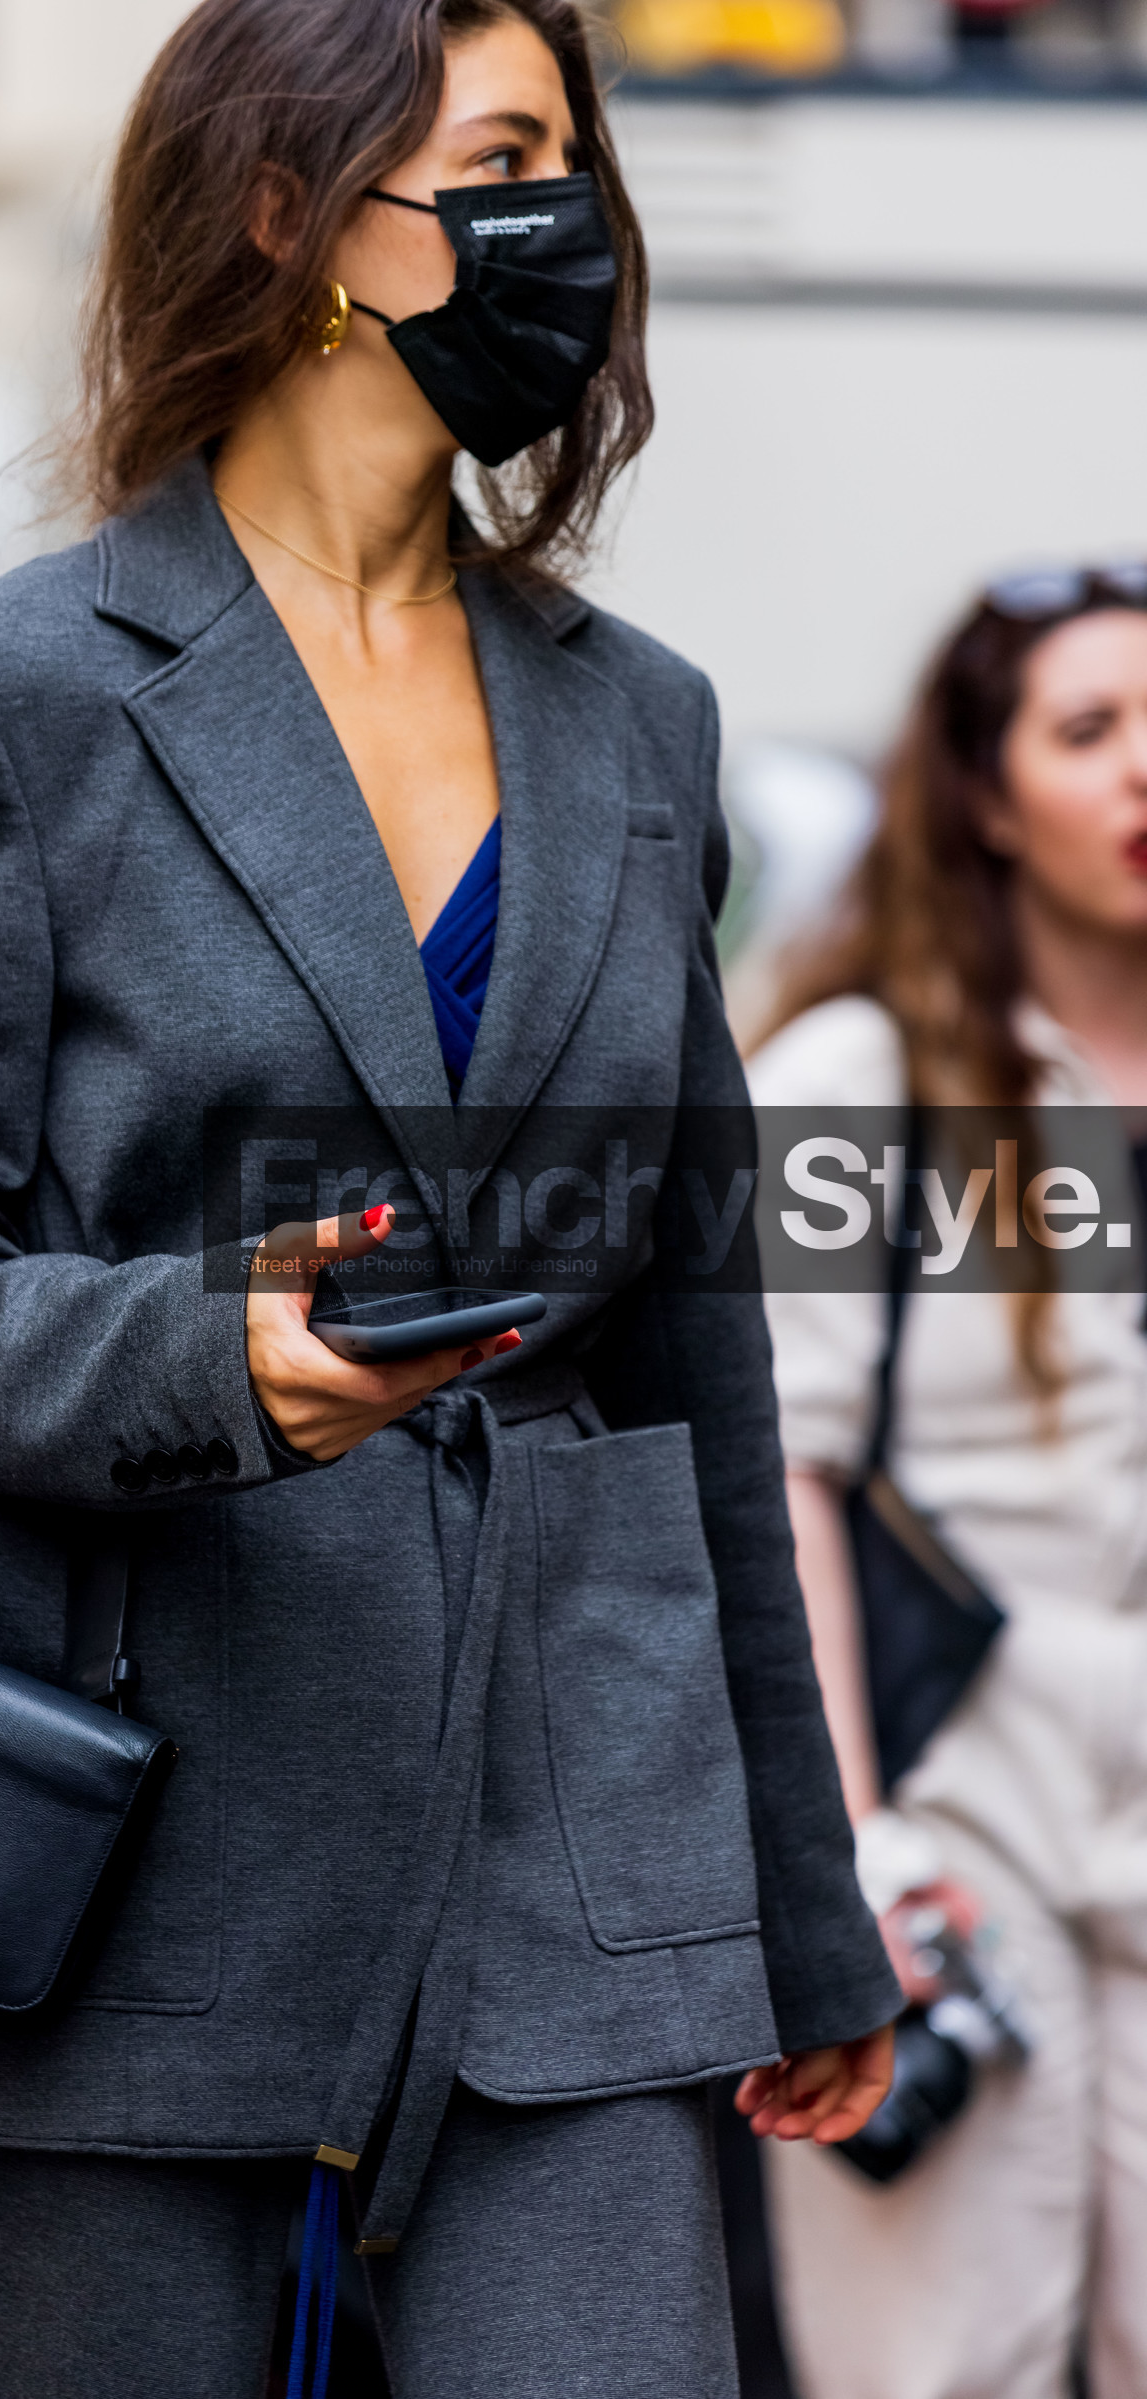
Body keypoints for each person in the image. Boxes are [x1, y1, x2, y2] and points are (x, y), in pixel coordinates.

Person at [0, 2, 897, 2390]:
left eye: (572, 172)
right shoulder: (5, 697)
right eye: (499, 160)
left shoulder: (636, 719)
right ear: (289, 207)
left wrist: (798, 1925)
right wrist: (210, 1358)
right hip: (110, 1869)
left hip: (569, 1884)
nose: (560, 231)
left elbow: (700, 1344)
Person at [749, 565, 1147, 2399]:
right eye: (1092, 732)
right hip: (951, 1817)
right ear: (986, 796)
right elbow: (783, 1478)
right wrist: (849, 1849)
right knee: (944, 2370)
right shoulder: (862, 1072)